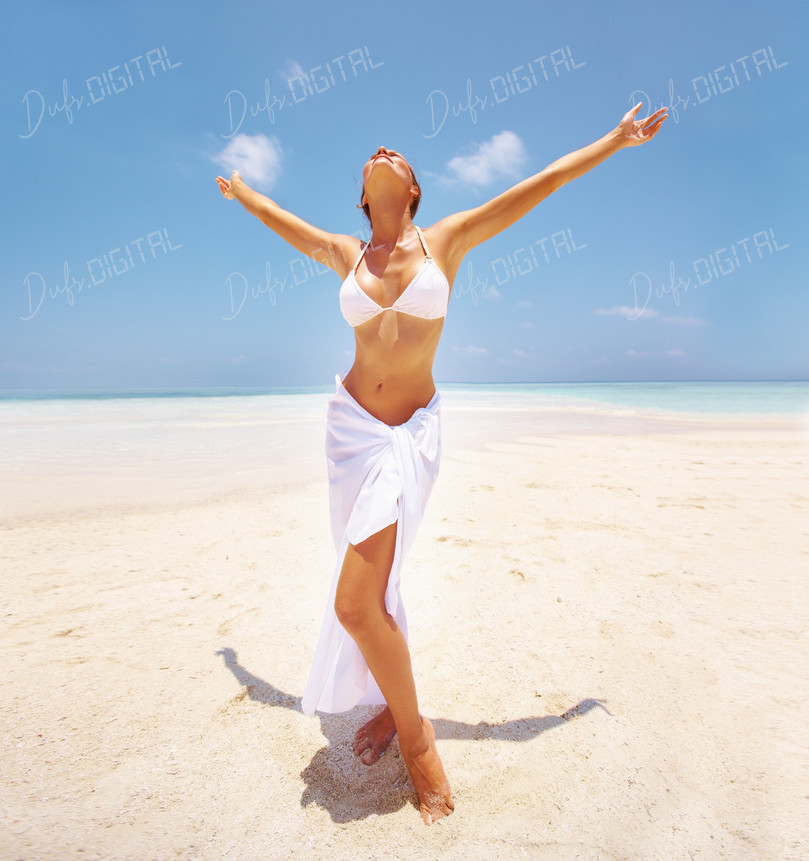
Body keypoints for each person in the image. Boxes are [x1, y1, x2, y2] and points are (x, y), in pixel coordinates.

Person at [215, 101, 667, 824]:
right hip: (352, 435)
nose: (384, 146)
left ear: (413, 189)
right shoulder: (345, 253)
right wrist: (243, 196)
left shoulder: (445, 242)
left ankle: (418, 737)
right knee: (375, 589)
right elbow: (282, 222)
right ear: (364, 194)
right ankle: (397, 711)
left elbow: (537, 186)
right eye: (375, 155)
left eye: (399, 154)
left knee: (356, 601)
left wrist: (613, 139)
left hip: (410, 438)